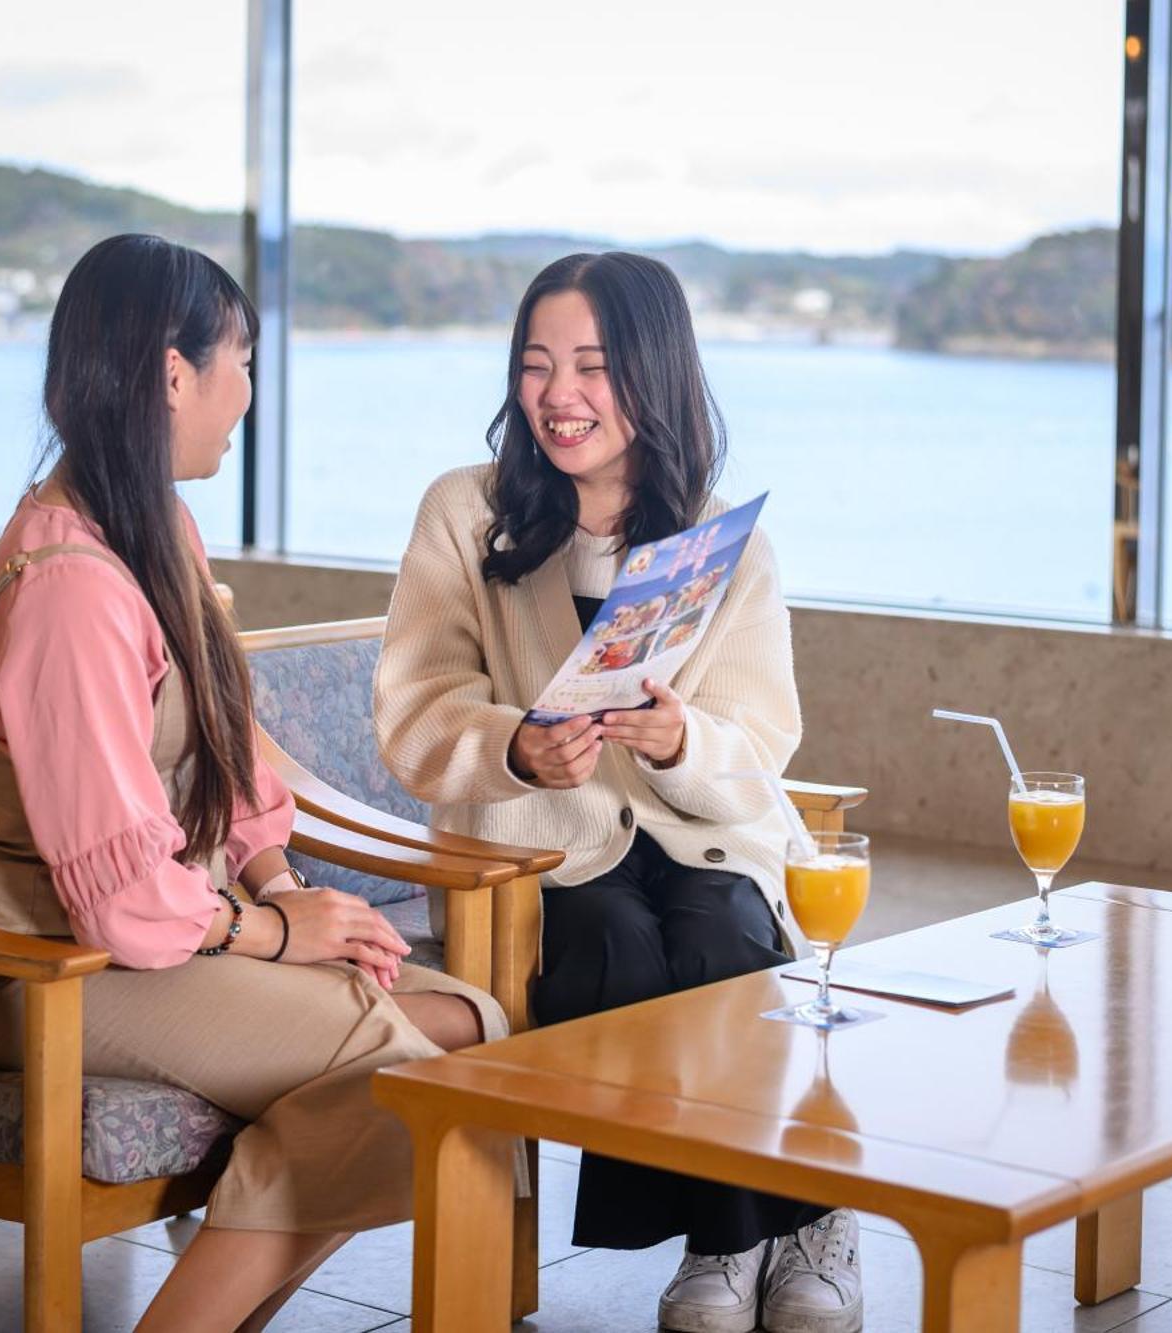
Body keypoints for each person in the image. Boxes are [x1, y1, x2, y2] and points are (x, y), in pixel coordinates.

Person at [0, 233, 502, 1333]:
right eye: (240, 362)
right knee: (403, 1069)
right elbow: (124, 895)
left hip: (159, 940)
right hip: (31, 964)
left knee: (470, 1022)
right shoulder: (69, 589)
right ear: (173, 375)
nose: (246, 396)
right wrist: (276, 936)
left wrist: (279, 890)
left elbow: (226, 756)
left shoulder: (152, 530)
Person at [374, 251, 863, 1333]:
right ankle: (739, 1236)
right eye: (537, 365)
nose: (559, 395)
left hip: (701, 833)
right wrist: (513, 746)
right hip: (539, 848)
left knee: (728, 939)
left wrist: (683, 735)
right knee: (613, 948)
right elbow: (414, 707)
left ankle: (804, 1221)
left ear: (652, 375)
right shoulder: (466, 513)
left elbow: (762, 736)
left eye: (591, 366)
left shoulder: (725, 539)